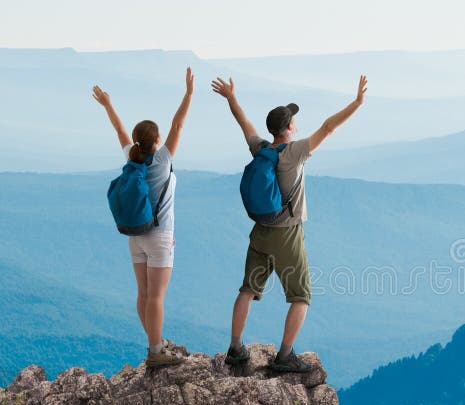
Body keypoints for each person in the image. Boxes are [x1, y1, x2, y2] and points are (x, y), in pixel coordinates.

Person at [211, 74, 368, 373]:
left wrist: (232, 98)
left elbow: (244, 124)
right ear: (289, 128)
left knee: (248, 288)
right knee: (301, 296)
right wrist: (357, 103)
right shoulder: (296, 152)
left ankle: (235, 348)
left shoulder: (261, 150)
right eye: (293, 120)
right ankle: (284, 356)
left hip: (260, 232)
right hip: (287, 235)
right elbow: (328, 127)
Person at [93, 67, 194, 368]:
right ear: (157, 141)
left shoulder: (131, 158)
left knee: (143, 294)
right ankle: (156, 351)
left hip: (135, 236)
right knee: (157, 297)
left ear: (138, 143)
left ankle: (154, 342)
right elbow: (178, 125)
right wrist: (188, 93)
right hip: (161, 237)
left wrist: (108, 104)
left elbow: (119, 131)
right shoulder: (162, 159)